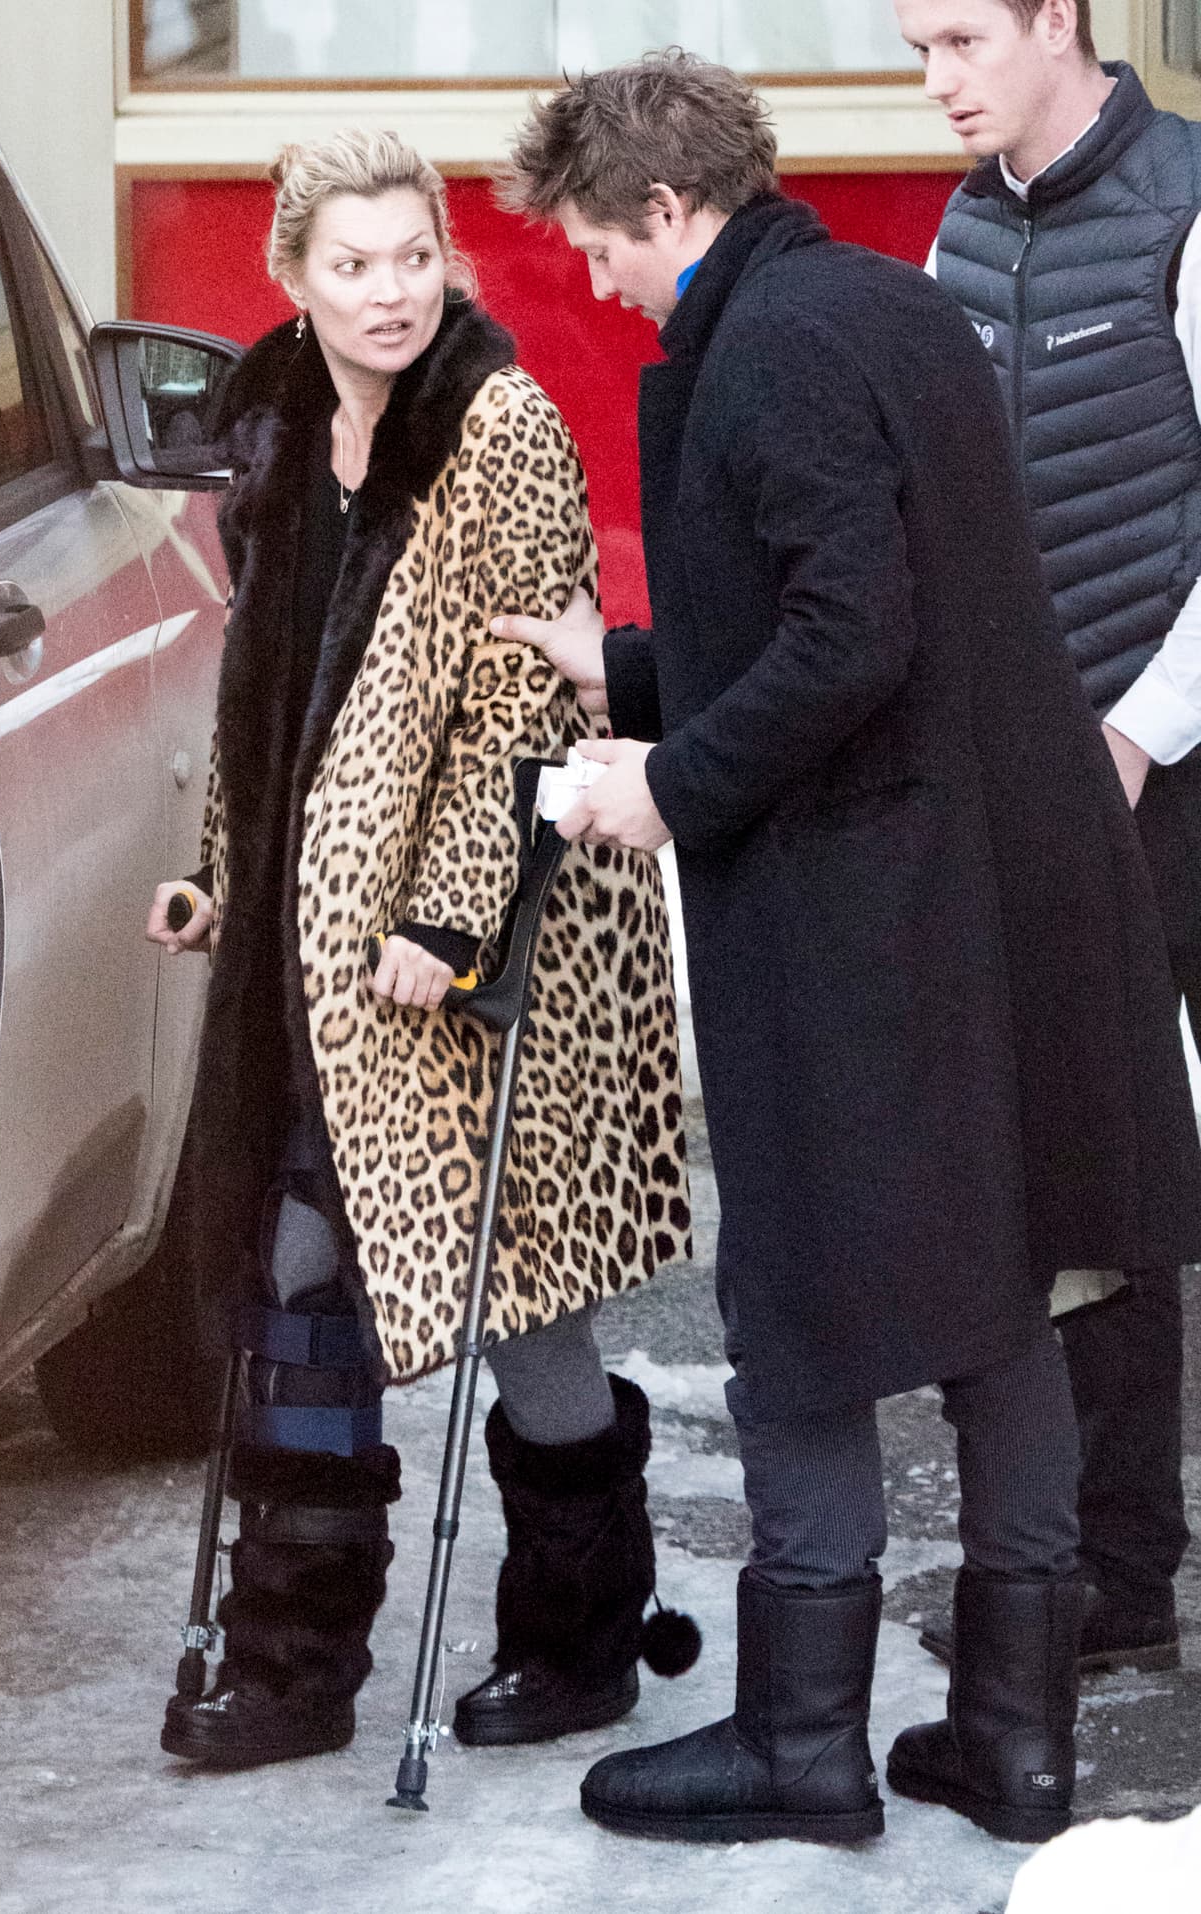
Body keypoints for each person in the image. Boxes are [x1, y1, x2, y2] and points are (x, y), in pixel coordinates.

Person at [495, 49, 1201, 1847]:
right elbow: (888, 598)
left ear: (669, 207)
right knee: (1009, 1294)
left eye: (601, 246)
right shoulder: (888, 309)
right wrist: (636, 661)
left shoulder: (772, 352)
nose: (598, 284)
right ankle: (1017, 1738)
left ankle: (801, 1745)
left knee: (800, 1305)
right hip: (999, 880)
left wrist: (667, 778)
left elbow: (848, 635)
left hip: (871, 908)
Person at [145, 129, 696, 1771]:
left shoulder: (500, 426)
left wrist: (446, 916)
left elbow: (529, 692)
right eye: (352, 264)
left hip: (475, 935)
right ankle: (293, 1659)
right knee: (306, 1281)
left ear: (447, 261)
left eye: (412, 258)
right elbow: (268, 700)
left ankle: (581, 1635)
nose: (389, 293)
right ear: (293, 278)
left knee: (513, 1292)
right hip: (310, 949)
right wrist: (213, 876)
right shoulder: (279, 426)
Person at [904, 0, 1200, 1679]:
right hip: (1055, 783)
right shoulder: (964, 232)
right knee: (1099, 1167)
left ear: (1062, 18)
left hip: (1170, 758)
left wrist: (1140, 731)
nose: (937, 81)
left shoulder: (1185, 206)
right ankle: (1116, 1572)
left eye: (959, 37)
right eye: (914, 50)